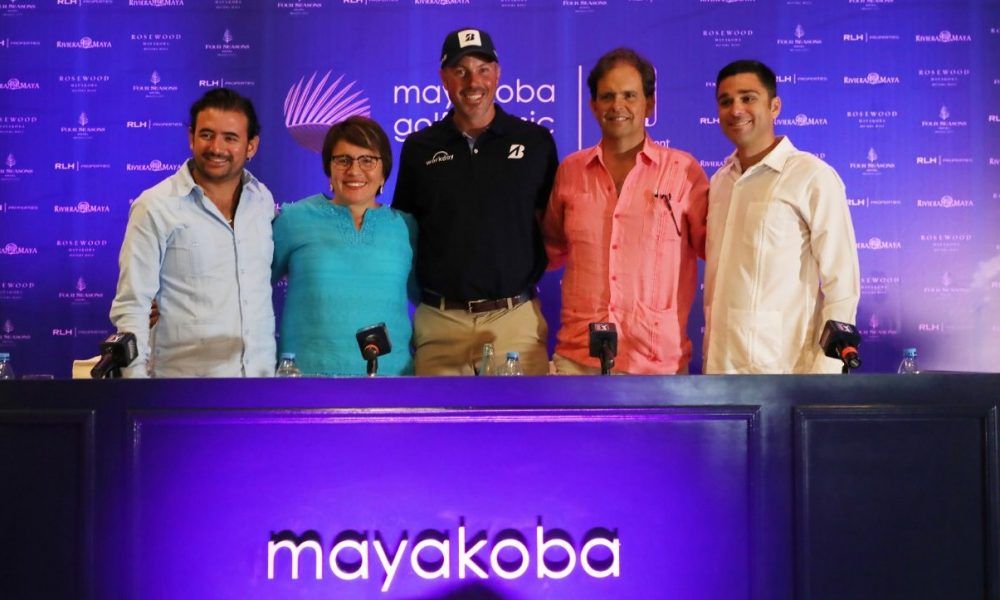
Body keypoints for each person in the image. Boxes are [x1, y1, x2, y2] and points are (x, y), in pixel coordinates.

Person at [392, 28, 558, 375]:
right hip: (440, 323)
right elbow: (404, 235)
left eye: (483, 69)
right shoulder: (419, 148)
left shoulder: (536, 142)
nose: (473, 82)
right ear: (443, 78)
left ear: (497, 73)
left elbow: (552, 225)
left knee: (522, 414)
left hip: (514, 322)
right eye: (461, 71)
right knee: (434, 415)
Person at [543, 48, 708, 375]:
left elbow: (715, 250)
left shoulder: (683, 171)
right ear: (593, 106)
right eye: (607, 96)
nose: (617, 105)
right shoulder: (571, 171)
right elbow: (550, 249)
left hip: (657, 365)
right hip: (578, 360)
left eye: (629, 95)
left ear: (650, 104)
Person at [704, 60, 860, 374]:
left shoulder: (811, 176)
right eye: (726, 101)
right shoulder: (720, 181)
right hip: (719, 372)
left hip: (785, 373)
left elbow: (842, 281)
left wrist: (826, 373)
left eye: (748, 98)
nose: (736, 109)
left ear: (774, 106)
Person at [109, 88, 276, 377]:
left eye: (230, 138)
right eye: (206, 135)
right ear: (191, 138)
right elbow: (133, 306)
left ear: (251, 146)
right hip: (183, 389)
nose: (216, 148)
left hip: (259, 385)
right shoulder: (155, 206)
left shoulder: (261, 200)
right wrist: (135, 389)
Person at [272, 117, 417, 376]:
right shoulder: (294, 219)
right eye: (343, 160)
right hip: (306, 381)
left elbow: (426, 300)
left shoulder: (405, 227)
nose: (354, 170)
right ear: (329, 168)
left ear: (384, 170)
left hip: (390, 382)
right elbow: (251, 289)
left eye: (367, 160)